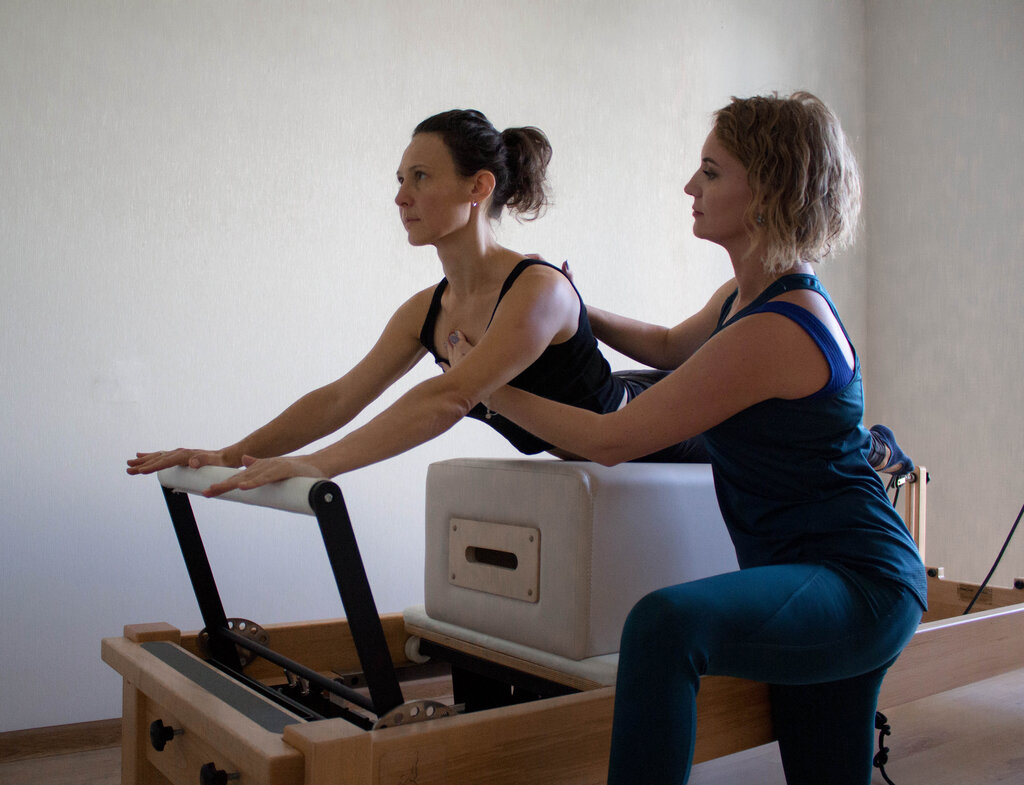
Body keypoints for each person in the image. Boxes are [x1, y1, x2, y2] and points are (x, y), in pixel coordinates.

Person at [446, 92, 927, 784]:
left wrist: (485, 387)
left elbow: (611, 439)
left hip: (858, 578)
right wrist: (575, 303)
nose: (690, 187)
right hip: (813, 570)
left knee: (664, 624)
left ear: (766, 190)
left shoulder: (777, 328)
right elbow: (670, 344)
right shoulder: (748, 299)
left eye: (711, 171)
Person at [126, 109, 707, 494]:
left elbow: (451, 396)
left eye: (421, 177)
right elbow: (339, 398)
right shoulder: (427, 311)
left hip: (661, 429)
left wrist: (321, 465)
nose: (401, 196)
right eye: (401, 179)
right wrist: (230, 453)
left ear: (479, 188)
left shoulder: (537, 289)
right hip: (591, 452)